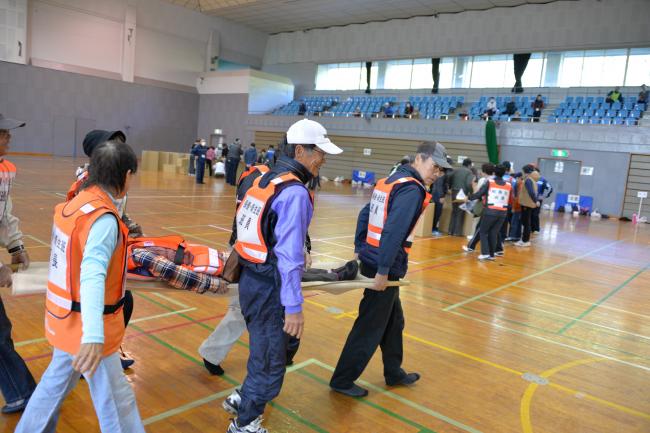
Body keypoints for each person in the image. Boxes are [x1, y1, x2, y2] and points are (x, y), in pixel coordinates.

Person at [15, 141, 145, 433]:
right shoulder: (103, 220)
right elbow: (92, 273)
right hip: (89, 328)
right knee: (117, 402)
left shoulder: (74, 204)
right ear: (125, 177)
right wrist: (93, 335)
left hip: (64, 320)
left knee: (52, 388)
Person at [225, 119, 342, 433]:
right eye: (319, 152)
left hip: (251, 281)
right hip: (270, 288)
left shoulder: (263, 178)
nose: (324, 158)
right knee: (270, 362)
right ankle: (245, 424)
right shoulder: (293, 193)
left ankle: (243, 398)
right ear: (301, 150)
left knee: (274, 348)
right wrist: (293, 306)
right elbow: (288, 260)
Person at [329, 141, 450, 398]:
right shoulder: (412, 189)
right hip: (385, 265)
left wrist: (359, 246)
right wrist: (384, 270)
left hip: (374, 258)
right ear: (420, 159)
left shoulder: (390, 180)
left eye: (441, 171)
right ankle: (342, 379)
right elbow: (394, 230)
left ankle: (394, 372)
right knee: (370, 325)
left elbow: (365, 214)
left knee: (394, 320)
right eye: (435, 167)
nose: (437, 174)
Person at [66, 129, 141, 370]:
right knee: (117, 300)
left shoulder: (111, 179)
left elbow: (115, 210)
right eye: (113, 145)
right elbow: (94, 218)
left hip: (107, 248)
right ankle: (96, 348)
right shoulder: (88, 185)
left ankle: (100, 350)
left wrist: (128, 224)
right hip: (90, 255)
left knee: (123, 300)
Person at [0, 115, 36, 415]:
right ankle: (22, 391)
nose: (9, 138)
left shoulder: (4, 171)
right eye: (3, 134)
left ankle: (21, 391)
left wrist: (16, 246)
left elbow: (5, 214)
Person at [467, 164, 512, 260]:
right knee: (494, 232)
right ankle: (491, 255)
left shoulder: (490, 182)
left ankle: (485, 253)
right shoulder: (508, 185)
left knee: (483, 231)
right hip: (503, 212)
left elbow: (480, 193)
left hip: (490, 211)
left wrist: (469, 197)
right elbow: (510, 199)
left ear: (495, 172)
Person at [463, 163, 495, 252]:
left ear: (484, 171)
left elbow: (479, 193)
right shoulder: (497, 180)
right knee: (493, 230)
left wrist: (469, 197)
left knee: (480, 227)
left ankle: (474, 248)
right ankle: (497, 250)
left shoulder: (485, 181)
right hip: (499, 209)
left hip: (487, 206)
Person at [447, 158, 474, 236]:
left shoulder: (456, 170)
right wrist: (470, 193)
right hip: (462, 193)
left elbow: (449, 177)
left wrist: (450, 186)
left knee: (454, 211)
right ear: (469, 165)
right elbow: (469, 184)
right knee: (460, 212)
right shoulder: (469, 172)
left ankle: (450, 231)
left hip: (454, 191)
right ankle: (456, 232)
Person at [515, 165, 540, 247]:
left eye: (523, 172)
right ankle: (524, 239)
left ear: (526, 172)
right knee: (526, 222)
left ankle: (525, 241)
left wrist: (535, 200)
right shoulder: (532, 179)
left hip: (527, 204)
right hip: (528, 204)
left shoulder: (528, 180)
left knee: (526, 223)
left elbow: (531, 192)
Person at [430, 159, 451, 236]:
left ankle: (433, 228)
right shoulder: (441, 174)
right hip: (437, 196)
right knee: (437, 213)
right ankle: (433, 229)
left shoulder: (441, 173)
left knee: (436, 213)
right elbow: (439, 186)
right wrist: (441, 196)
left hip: (435, 195)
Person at [532, 168, 553, 233]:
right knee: (530, 214)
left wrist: (544, 196)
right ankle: (530, 228)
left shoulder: (543, 180)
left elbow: (550, 188)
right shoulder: (530, 179)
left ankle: (536, 229)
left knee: (535, 214)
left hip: (538, 200)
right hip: (530, 199)